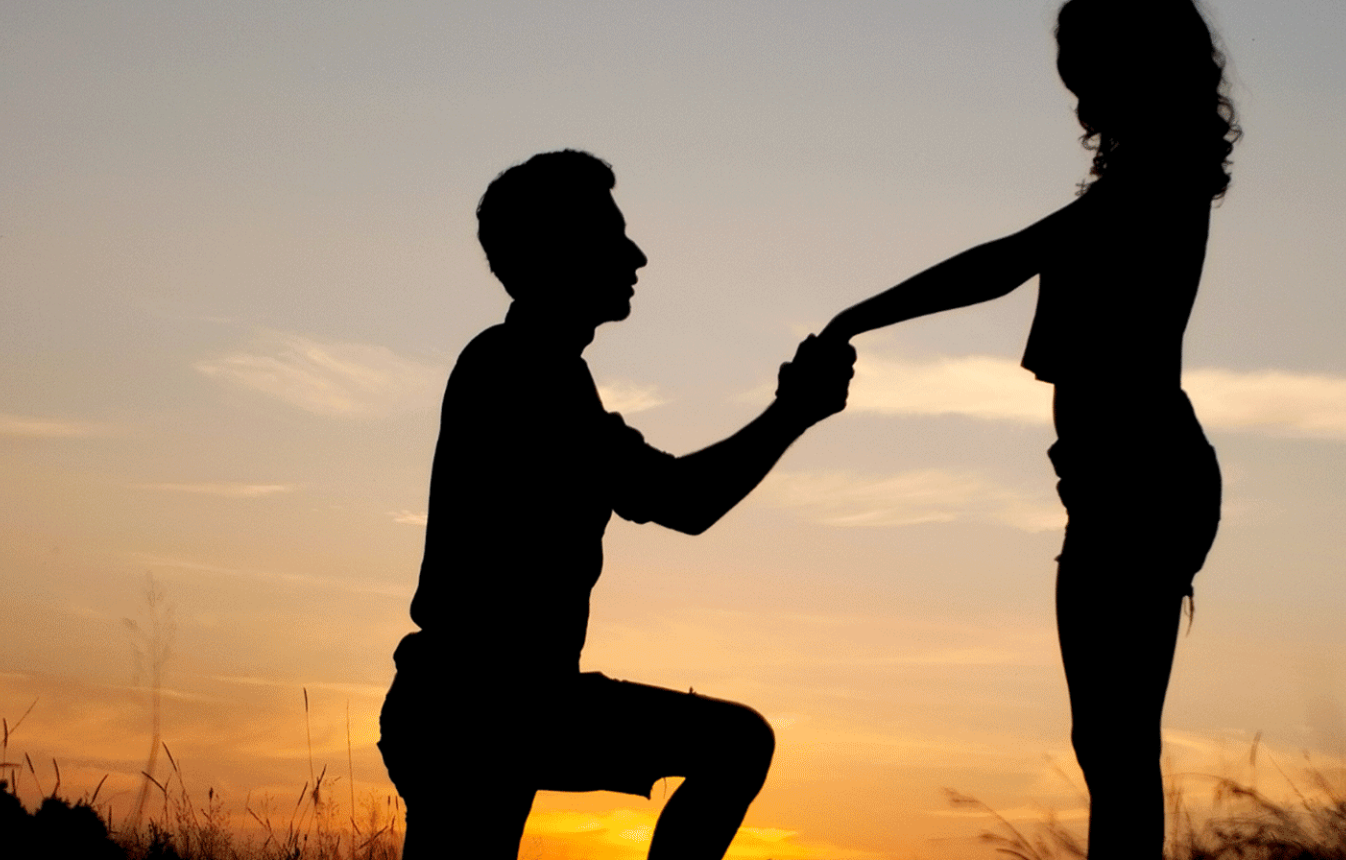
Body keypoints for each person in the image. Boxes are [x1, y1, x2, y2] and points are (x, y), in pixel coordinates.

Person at [819, 2, 1239, 855]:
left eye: (1086, 70)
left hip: (1139, 477)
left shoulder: (1154, 180)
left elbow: (1004, 263)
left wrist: (855, 316)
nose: (1076, 92)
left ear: (1134, 69)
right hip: (1124, 475)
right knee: (1111, 742)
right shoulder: (1147, 177)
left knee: (1115, 743)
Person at [380, 149, 855, 860]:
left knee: (735, 744)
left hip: (482, 706)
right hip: (482, 709)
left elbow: (675, 496)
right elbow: (685, 501)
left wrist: (794, 412)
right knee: (739, 743)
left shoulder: (540, 370)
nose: (635, 255)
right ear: (557, 251)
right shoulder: (522, 372)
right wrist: (793, 412)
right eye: (612, 236)